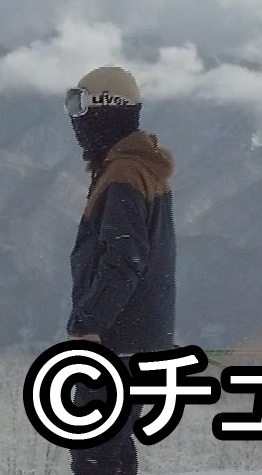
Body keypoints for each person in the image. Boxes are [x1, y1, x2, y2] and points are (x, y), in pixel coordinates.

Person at [63, 65, 176, 475]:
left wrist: (90, 322)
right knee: (113, 446)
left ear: (104, 109)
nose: (75, 119)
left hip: (117, 339)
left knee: (95, 449)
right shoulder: (139, 168)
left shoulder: (124, 174)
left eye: (79, 105)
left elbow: (124, 259)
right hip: (139, 338)